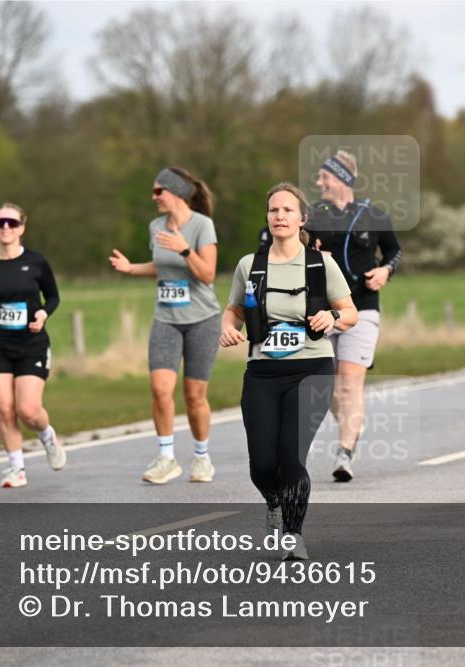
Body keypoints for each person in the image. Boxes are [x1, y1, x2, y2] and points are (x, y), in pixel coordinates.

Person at [220, 183, 357, 560]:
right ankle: (274, 501)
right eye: (273, 211)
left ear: (302, 218)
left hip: (312, 368)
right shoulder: (251, 265)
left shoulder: (319, 264)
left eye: (287, 210)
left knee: (291, 455)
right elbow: (232, 309)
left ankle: (293, 535)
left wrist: (331, 316)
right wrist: (228, 327)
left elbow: (350, 313)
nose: (279, 216)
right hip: (262, 371)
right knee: (263, 464)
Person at [110, 167, 221, 484]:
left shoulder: (202, 225)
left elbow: (208, 275)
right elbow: (162, 267)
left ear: (177, 192)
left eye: (159, 191)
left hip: (202, 319)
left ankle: (202, 458)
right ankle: (166, 458)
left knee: (194, 396)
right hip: (166, 319)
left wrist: (184, 249)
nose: (153, 197)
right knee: (160, 390)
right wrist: (131, 268)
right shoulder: (156, 226)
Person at [304, 150, 402, 483]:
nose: (318, 183)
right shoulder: (313, 215)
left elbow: (394, 251)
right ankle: (353, 420)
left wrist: (385, 271)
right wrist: (312, 256)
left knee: (350, 379)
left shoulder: (373, 215)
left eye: (324, 177)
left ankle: (344, 452)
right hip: (323, 310)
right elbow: (290, 249)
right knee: (327, 384)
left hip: (363, 308)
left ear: (342, 178)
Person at [0, 203, 66, 487]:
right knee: (4, 408)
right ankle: (16, 468)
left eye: (12, 223)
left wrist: (44, 314)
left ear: (22, 227)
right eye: (0, 223)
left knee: (28, 410)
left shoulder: (36, 262)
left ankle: (47, 436)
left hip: (31, 344)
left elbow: (54, 297)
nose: (6, 228)